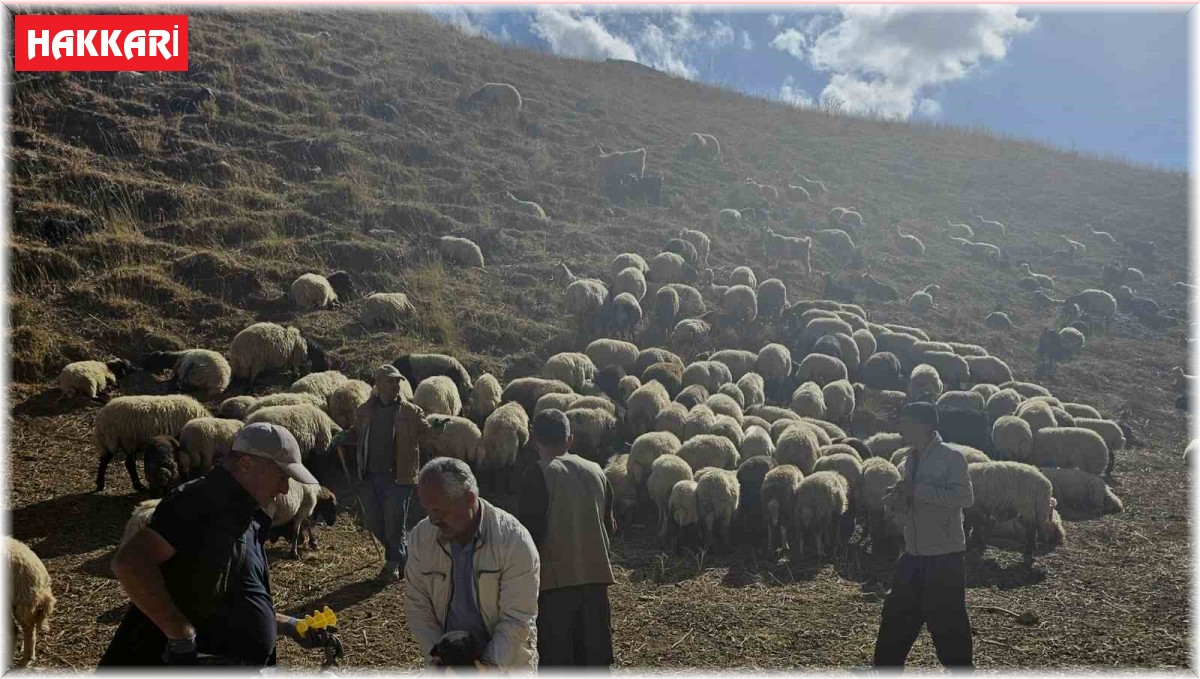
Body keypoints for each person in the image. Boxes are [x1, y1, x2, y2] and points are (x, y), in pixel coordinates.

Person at [100, 422, 337, 667]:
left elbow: (230, 602)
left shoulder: (249, 517)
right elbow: (130, 563)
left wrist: (290, 626)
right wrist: (181, 635)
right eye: (281, 476)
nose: (284, 488)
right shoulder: (198, 502)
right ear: (246, 464)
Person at [404, 457, 540, 671]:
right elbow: (418, 608)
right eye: (427, 510)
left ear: (469, 499)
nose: (432, 520)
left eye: (438, 511)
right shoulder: (422, 538)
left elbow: (517, 619)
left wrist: (486, 668)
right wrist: (439, 658)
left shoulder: (513, 541)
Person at [873, 402, 975, 670]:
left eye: (905, 422)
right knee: (894, 625)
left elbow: (964, 497)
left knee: (949, 628)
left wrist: (916, 490)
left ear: (924, 426)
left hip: (944, 556)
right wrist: (898, 499)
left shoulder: (952, 457)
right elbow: (914, 497)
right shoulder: (910, 458)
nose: (900, 428)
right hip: (913, 554)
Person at [515, 409, 616, 668]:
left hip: (554, 588)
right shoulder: (598, 472)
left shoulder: (537, 474)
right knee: (594, 663)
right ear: (569, 440)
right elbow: (610, 527)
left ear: (534, 440)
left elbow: (529, 537)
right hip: (596, 584)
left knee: (558, 664)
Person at [350, 364, 432, 584]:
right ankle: (404, 556)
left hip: (399, 477)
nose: (397, 385)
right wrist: (344, 436)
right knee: (374, 520)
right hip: (370, 475)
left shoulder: (410, 412)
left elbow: (426, 432)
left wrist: (437, 428)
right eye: (391, 381)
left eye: (398, 381)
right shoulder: (364, 411)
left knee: (394, 522)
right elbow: (356, 433)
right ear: (378, 383)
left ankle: (391, 565)